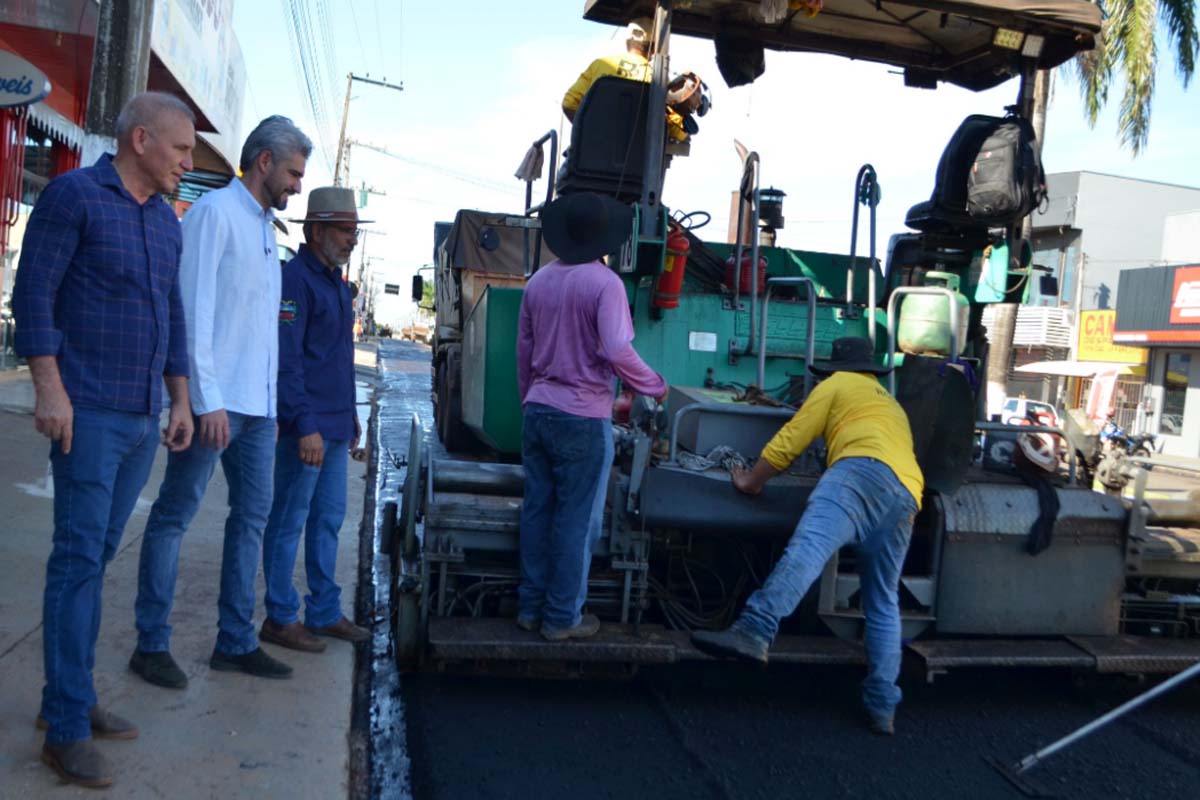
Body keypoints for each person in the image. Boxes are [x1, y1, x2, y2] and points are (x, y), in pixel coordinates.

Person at [12, 91, 197, 788]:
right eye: (180, 149)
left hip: (140, 417)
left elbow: (170, 314)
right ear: (141, 140)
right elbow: (33, 294)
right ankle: (64, 729)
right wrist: (49, 388)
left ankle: (71, 698)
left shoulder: (165, 221)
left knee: (93, 562)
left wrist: (178, 398)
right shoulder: (73, 198)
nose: (187, 162)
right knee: (78, 561)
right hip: (85, 414)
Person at [129, 116, 311, 687]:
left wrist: (272, 405)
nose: (297, 186)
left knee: (251, 519)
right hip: (215, 404)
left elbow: (261, 329)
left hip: (257, 410)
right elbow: (192, 311)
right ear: (263, 163)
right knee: (174, 516)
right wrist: (201, 400)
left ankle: (234, 641)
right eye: (292, 172)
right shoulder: (214, 215)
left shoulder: (263, 228)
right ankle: (150, 644)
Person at [690, 336, 924, 736]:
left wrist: (750, 480)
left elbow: (791, 440)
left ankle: (755, 630)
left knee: (807, 552)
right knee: (882, 600)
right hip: (906, 493)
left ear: (833, 370)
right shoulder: (889, 402)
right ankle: (883, 704)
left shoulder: (833, 386)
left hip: (857, 475)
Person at [517, 191, 667, 641]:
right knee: (575, 521)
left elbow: (524, 351)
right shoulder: (605, 285)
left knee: (537, 511)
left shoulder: (538, 282)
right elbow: (616, 349)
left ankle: (529, 608)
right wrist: (653, 385)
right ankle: (562, 618)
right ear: (606, 239)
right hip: (582, 417)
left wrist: (532, 398)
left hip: (539, 410)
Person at [259, 187, 371, 653]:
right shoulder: (296, 282)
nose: (351, 240)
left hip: (335, 427)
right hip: (305, 431)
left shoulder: (337, 284)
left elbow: (336, 359)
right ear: (316, 230)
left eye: (354, 232)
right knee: (289, 519)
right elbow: (287, 361)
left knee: (328, 520)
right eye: (344, 232)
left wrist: (350, 417)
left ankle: (323, 612)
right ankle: (281, 617)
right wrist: (304, 424)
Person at [561, 17, 689, 143]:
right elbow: (676, 129)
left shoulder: (600, 65)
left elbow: (569, 103)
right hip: (637, 161)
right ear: (654, 46)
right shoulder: (657, 79)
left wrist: (590, 132)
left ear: (627, 42)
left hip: (591, 156)